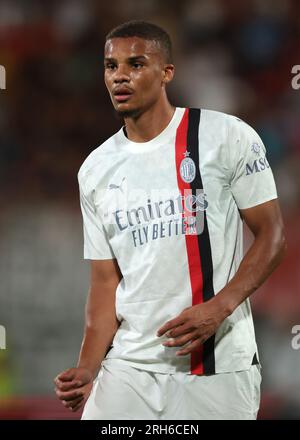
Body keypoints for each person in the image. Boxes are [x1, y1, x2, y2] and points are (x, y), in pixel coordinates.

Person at [54, 20, 286, 420]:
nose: (120, 75)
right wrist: (87, 368)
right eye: (111, 66)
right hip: (129, 370)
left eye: (136, 63)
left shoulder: (225, 136)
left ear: (167, 73)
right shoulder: (94, 170)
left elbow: (273, 235)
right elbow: (105, 283)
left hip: (216, 368)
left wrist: (220, 307)